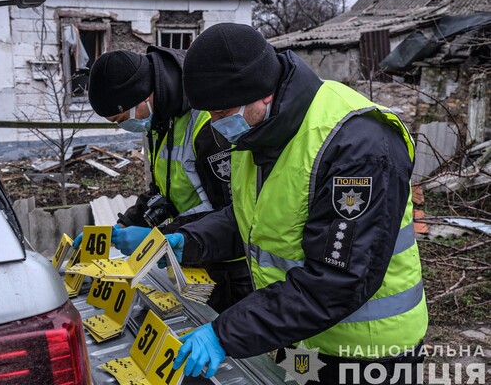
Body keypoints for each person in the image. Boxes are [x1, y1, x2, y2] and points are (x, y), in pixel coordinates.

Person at [166, 23, 428, 385]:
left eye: (221, 112)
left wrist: (225, 333)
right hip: (301, 339)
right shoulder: (258, 134)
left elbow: (338, 278)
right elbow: (251, 218)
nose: (214, 124)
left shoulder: (357, 145)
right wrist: (188, 239)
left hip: (368, 352)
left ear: (261, 94)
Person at [75, 46, 253, 313]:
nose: (124, 126)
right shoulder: (161, 119)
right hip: (191, 250)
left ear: (143, 97)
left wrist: (157, 238)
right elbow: (163, 192)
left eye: (122, 118)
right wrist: (124, 225)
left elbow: (235, 213)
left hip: (233, 267)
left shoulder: (208, 125)